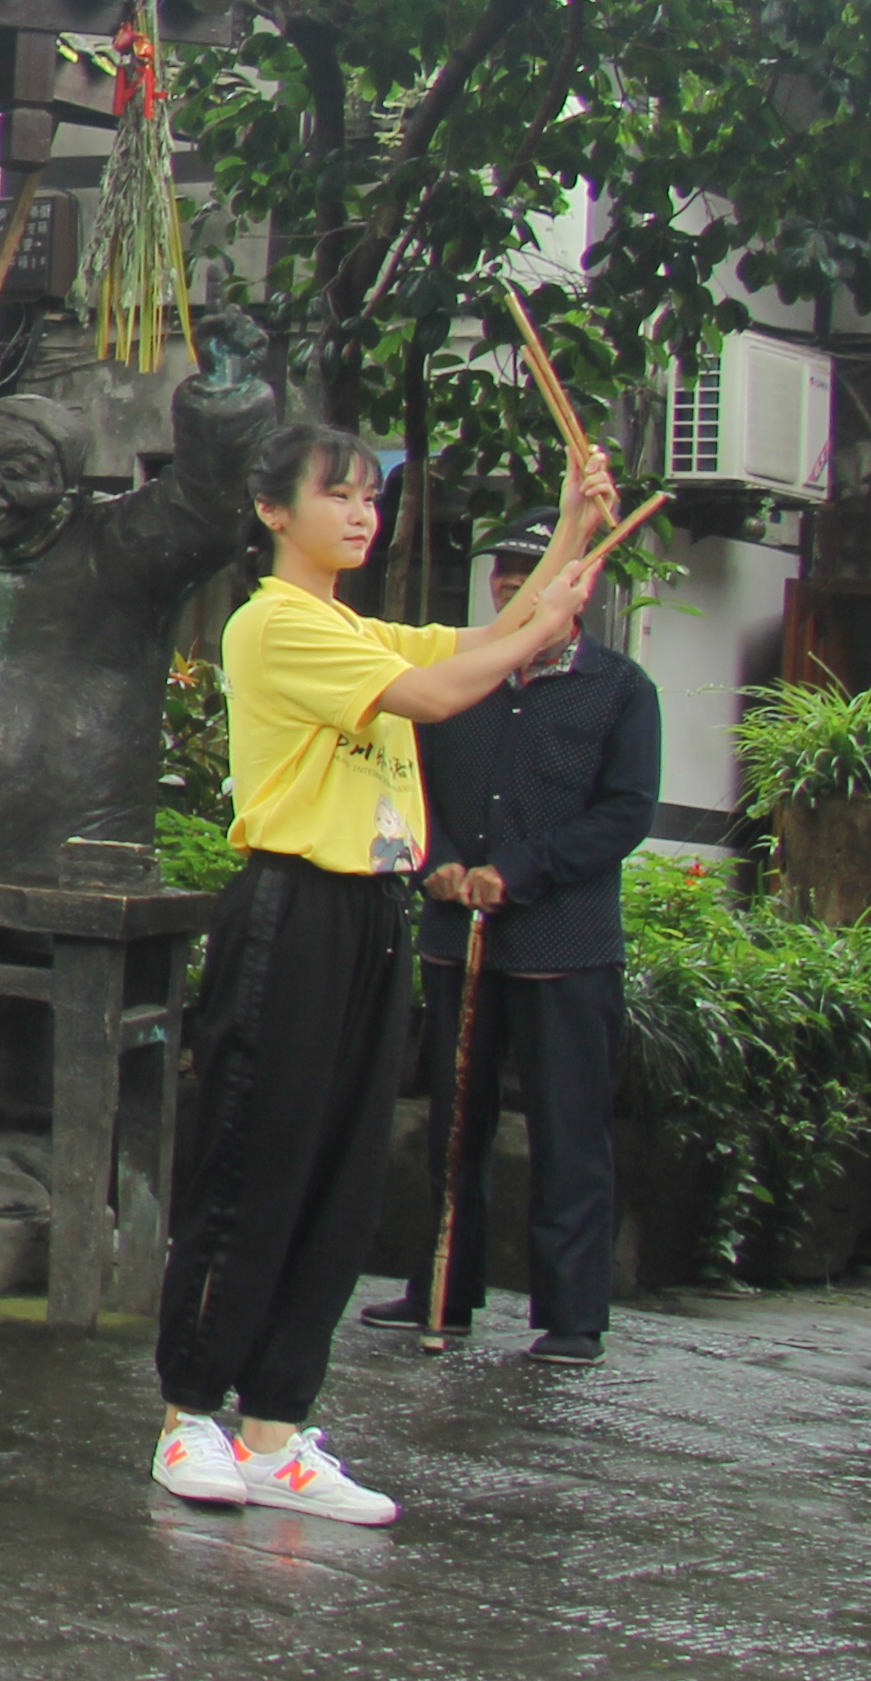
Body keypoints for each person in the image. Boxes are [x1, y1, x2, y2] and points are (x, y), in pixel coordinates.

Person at [152, 427, 610, 1527]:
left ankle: (277, 1428)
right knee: (251, 1164)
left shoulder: (357, 624)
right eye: (339, 497)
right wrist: (544, 621)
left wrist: (575, 522)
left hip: (374, 906)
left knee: (342, 1177)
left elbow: (492, 632)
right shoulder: (273, 624)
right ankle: (187, 1415)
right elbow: (445, 693)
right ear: (272, 511)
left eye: (373, 498)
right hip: (289, 908)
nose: (364, 515)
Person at [365, 522, 661, 1364]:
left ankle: (572, 1319)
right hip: (460, 938)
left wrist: (521, 871)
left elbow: (627, 811)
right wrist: (443, 862)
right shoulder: (462, 679)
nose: (511, 585)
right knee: (455, 1123)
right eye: (503, 571)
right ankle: (442, 1294)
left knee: (570, 1129)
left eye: (532, 571)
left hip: (563, 942)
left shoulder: (620, 689)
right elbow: (408, 779)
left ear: (576, 588)